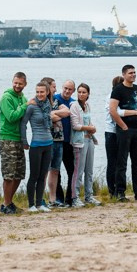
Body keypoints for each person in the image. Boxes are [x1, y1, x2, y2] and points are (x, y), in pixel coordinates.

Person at [109, 65, 137, 201]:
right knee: (122, 162)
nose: (133, 75)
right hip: (124, 131)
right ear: (124, 74)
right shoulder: (118, 90)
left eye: (134, 72)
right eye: (130, 73)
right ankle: (120, 192)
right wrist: (123, 126)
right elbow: (113, 110)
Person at [0, 72, 29, 214]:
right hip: (7, 139)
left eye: (20, 83)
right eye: (15, 83)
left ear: (25, 84)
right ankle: (5, 204)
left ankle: (9, 203)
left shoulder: (23, 98)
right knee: (9, 174)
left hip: (18, 139)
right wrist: (24, 107)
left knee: (19, 173)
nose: (17, 86)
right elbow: (11, 117)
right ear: (12, 82)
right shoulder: (6, 97)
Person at [22, 82, 54, 213]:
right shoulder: (31, 106)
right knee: (34, 176)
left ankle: (40, 203)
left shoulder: (48, 105)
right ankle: (31, 205)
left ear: (47, 92)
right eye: (37, 92)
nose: (39, 94)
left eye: (42, 92)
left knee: (43, 175)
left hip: (49, 143)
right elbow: (23, 124)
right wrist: (24, 141)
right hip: (36, 144)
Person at [70, 83, 100, 206]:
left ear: (88, 94)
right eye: (79, 92)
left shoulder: (87, 106)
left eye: (84, 92)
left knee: (89, 170)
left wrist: (92, 127)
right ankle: (75, 197)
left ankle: (89, 195)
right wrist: (89, 127)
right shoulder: (74, 106)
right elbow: (75, 125)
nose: (81, 94)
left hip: (89, 140)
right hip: (79, 142)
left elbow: (87, 120)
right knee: (79, 170)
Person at [49, 79, 76, 207]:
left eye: (69, 89)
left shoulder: (74, 103)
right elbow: (50, 115)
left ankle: (70, 199)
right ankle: (58, 198)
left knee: (72, 170)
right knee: (56, 171)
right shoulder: (55, 98)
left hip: (69, 142)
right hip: (56, 141)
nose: (66, 91)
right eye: (65, 88)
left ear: (73, 91)